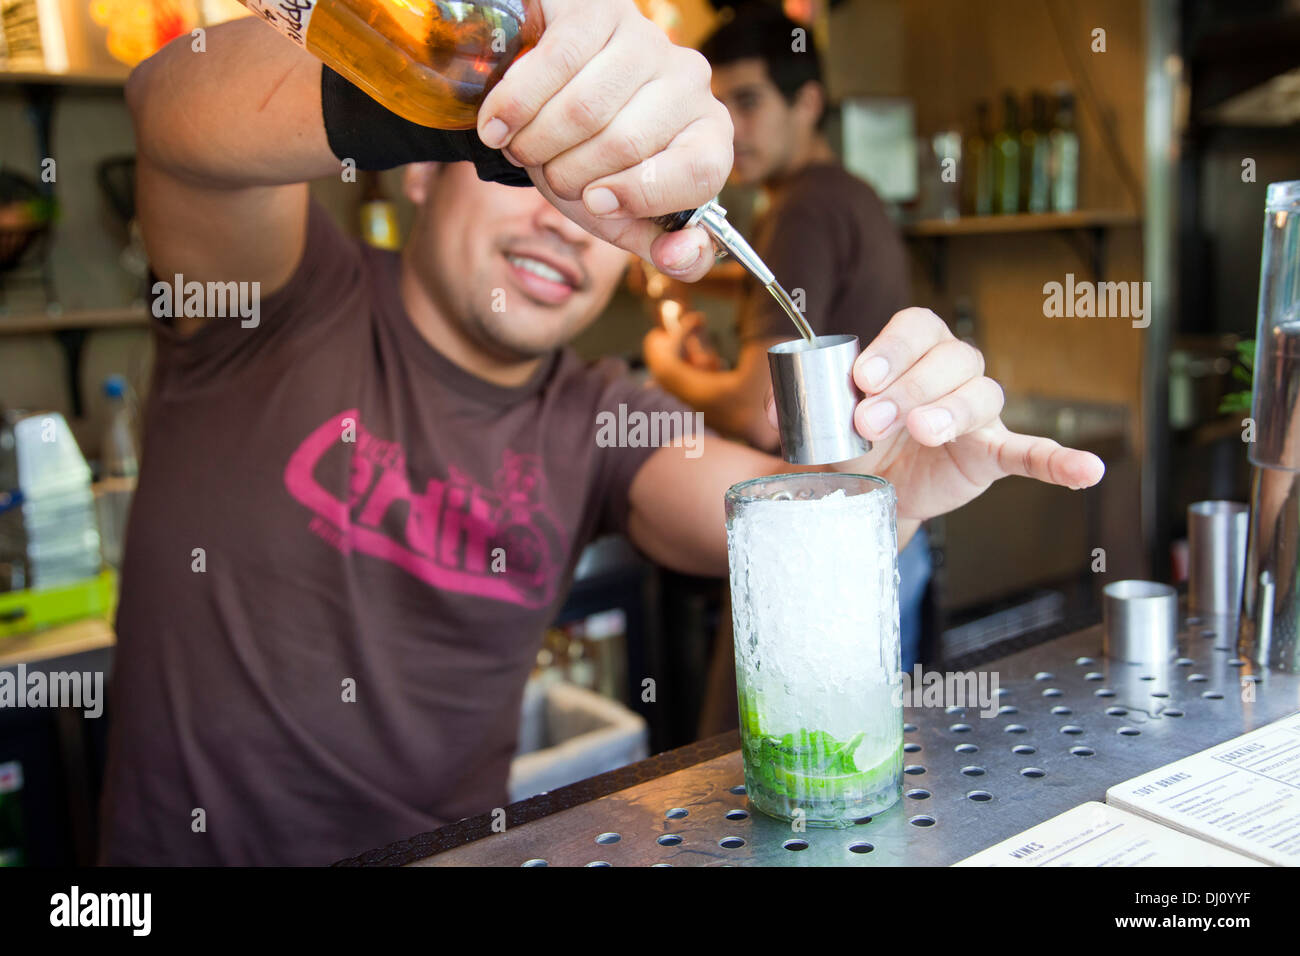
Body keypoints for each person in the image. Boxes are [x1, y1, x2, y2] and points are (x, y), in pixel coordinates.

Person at [100, 7, 1104, 865]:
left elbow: (779, 521)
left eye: (599, 200)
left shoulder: (598, 417)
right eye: (528, 177)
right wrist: (472, 97)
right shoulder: (278, 305)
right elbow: (173, 110)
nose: (562, 223)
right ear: (420, 176)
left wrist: (890, 485)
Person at [642, 6, 931, 671]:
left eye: (748, 101)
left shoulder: (799, 210)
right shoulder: (853, 194)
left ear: (808, 102)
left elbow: (756, 412)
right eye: (719, 107)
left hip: (825, 535)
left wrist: (667, 370)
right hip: (885, 522)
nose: (731, 129)